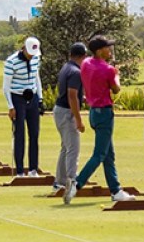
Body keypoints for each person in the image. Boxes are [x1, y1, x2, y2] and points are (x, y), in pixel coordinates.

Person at [64, 36, 136, 204]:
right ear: (98, 51)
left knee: (108, 154)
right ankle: (77, 183)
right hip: (104, 113)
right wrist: (116, 75)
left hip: (93, 114)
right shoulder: (108, 70)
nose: (109, 50)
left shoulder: (87, 63)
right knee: (99, 154)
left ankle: (115, 190)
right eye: (107, 47)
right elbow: (116, 89)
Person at [3, 36, 44, 177]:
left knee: (34, 134)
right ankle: (20, 171)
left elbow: (36, 78)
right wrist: (10, 106)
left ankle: (33, 169)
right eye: (30, 53)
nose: (32, 56)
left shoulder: (36, 59)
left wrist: (40, 99)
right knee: (19, 134)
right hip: (17, 98)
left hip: (32, 97)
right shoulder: (11, 61)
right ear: (24, 48)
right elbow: (6, 87)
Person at [51, 42, 87, 194]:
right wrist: (78, 120)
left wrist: (82, 98)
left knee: (66, 147)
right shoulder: (76, 72)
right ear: (83, 56)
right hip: (67, 112)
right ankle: (71, 181)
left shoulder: (67, 67)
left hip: (59, 109)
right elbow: (72, 96)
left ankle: (60, 182)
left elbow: (73, 94)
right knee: (73, 148)